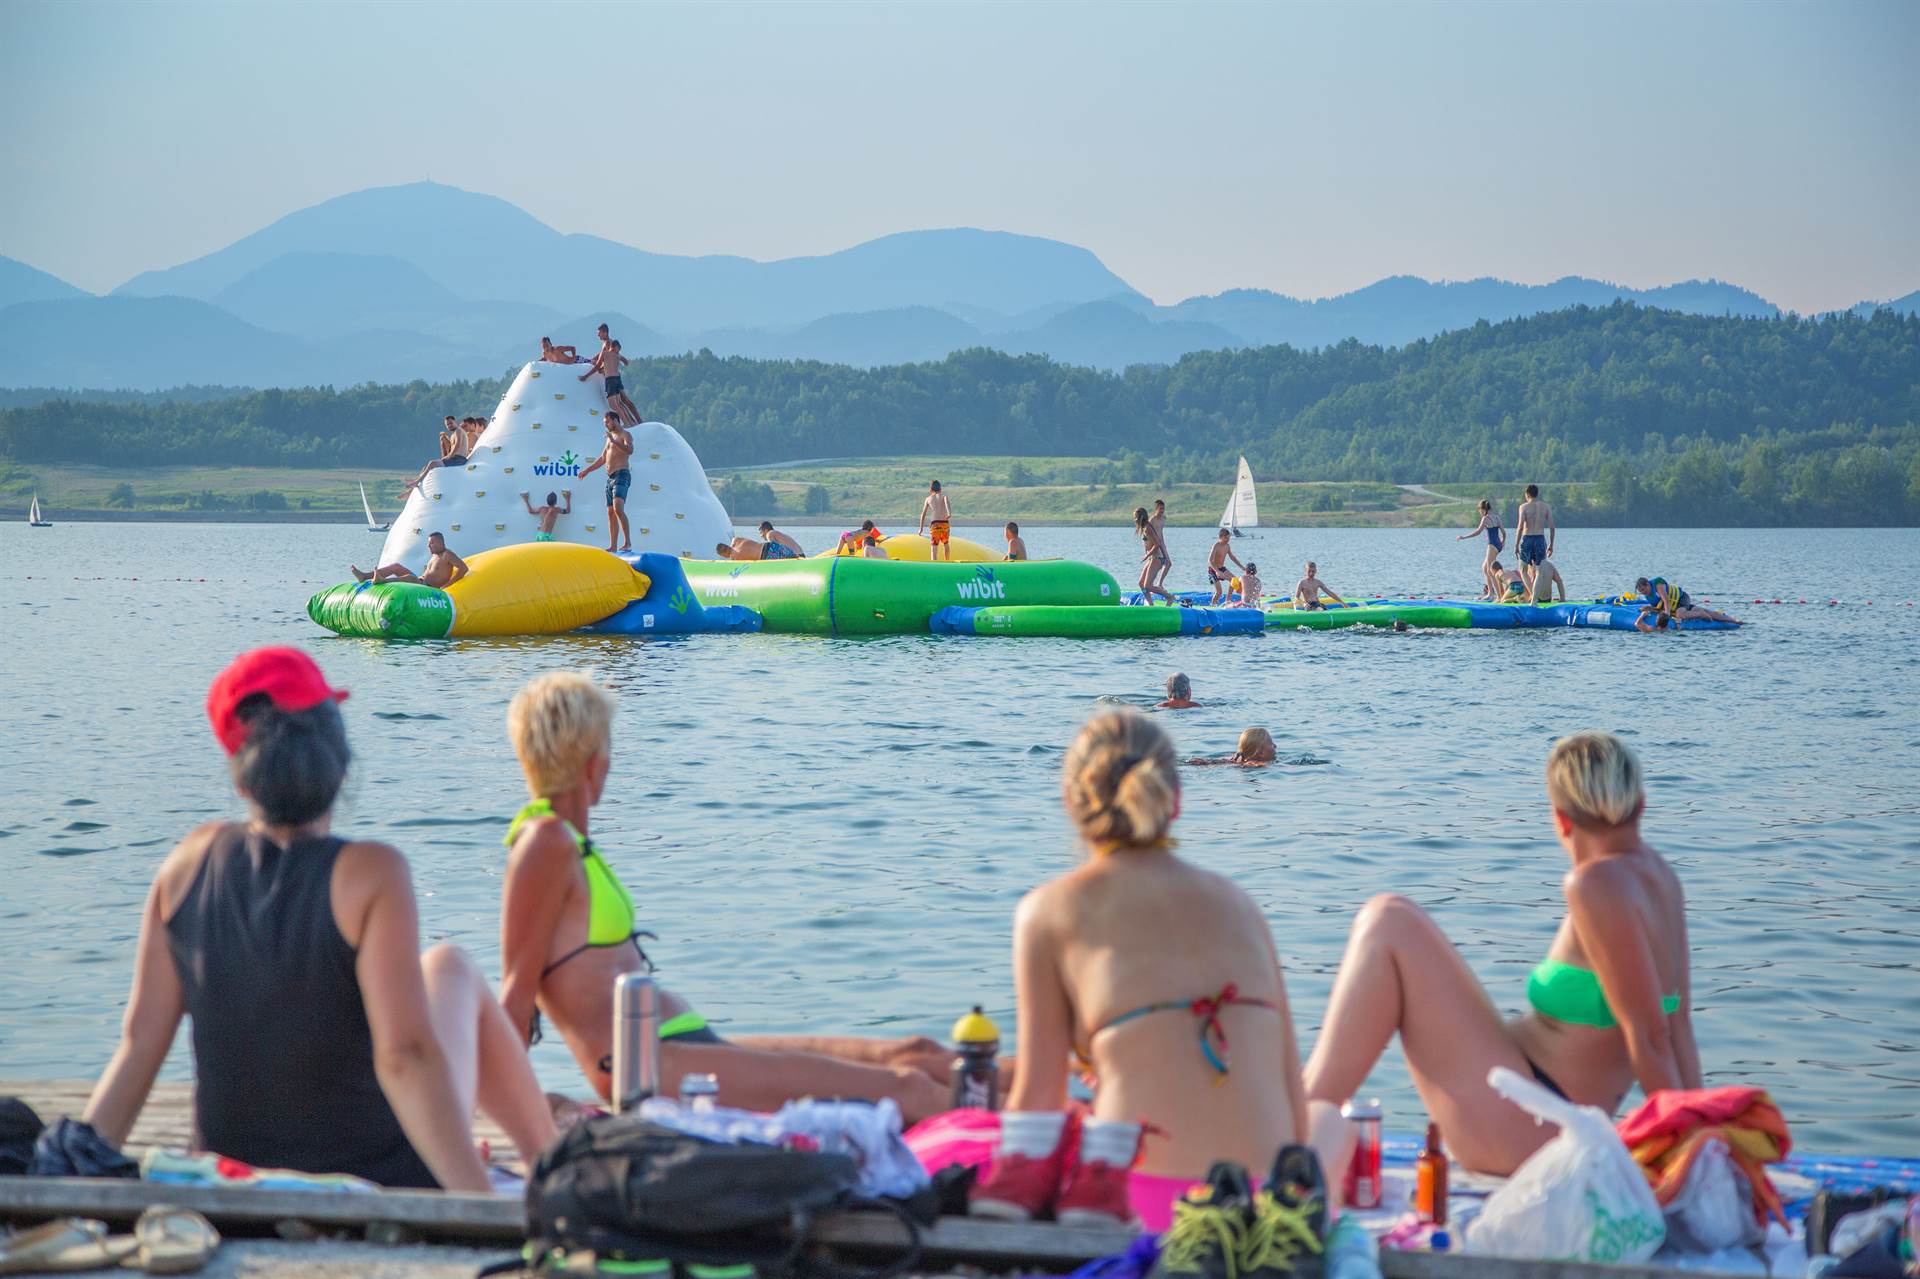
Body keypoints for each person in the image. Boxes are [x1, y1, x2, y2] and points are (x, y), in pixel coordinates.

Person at [79, 648, 555, 1190]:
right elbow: (405, 1058)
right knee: (451, 968)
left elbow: (140, 1045)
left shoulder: (185, 866)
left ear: (241, 778)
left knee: (444, 971)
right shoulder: (373, 874)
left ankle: (550, 1158)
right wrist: (477, 1203)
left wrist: (75, 1174)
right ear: (340, 759)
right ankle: (553, 1161)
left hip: (234, 1178)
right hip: (374, 1179)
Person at [497, 673, 951, 1119]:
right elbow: (517, 997)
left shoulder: (569, 843)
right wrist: (521, 1123)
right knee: (908, 1089)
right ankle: (1013, 1144)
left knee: (916, 1055)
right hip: (652, 1067)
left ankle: (1019, 1095)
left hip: (680, 1045)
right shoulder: (545, 843)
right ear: (591, 759)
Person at [969, 710, 1342, 1231]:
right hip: (1261, 1204)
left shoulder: (1047, 910)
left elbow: (1038, 1101)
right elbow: (1294, 1111)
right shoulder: (1241, 906)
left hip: (1136, 1201)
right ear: (1176, 801)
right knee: (1331, 1122)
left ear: (1070, 803)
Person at [1304, 731, 1699, 1175]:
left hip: (1533, 1127)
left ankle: (1291, 1130)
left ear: (1561, 819)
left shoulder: (1593, 884)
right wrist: (1706, 1136)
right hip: (1540, 1110)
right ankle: (1298, 1118)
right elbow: (1677, 1025)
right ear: (1641, 805)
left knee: (1386, 920)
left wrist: (1687, 1159)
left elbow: (1649, 1036)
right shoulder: (1663, 880)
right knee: (1391, 917)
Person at [575, 414, 635, 554]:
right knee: (610, 512)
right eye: (604, 422)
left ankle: (627, 543)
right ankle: (613, 545)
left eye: (607, 422)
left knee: (618, 508)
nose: (605, 425)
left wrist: (614, 442)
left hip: (622, 474)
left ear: (615, 420)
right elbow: (603, 458)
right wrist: (587, 470)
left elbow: (630, 450)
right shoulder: (610, 438)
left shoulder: (625, 435)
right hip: (610, 477)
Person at [353, 531, 469, 587]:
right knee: (396, 567)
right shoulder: (435, 555)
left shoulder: (448, 555)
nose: (428, 546)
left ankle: (382, 581)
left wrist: (447, 586)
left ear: (440, 543)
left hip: (429, 587)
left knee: (411, 578)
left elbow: (463, 569)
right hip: (421, 580)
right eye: (428, 543)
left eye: (431, 543)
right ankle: (365, 576)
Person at [581, 325, 641, 427]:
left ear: (605, 332)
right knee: (622, 402)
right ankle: (634, 422)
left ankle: (634, 422)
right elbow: (604, 355)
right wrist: (590, 360)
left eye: (599, 333)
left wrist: (599, 369)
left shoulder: (608, 343)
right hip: (616, 377)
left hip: (611, 378)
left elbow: (609, 357)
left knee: (622, 401)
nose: (598, 336)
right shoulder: (606, 343)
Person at [399, 417, 469, 496]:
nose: (449, 425)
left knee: (432, 463)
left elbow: (458, 445)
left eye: (451, 423)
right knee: (427, 466)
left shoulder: (459, 431)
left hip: (459, 460)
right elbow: (451, 447)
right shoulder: (454, 434)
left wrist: (449, 456)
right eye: (447, 424)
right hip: (454, 459)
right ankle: (414, 485)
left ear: (455, 422)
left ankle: (416, 482)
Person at [1633, 577, 1737, 629]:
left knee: (1680, 614)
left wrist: (1667, 615)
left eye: (1643, 589)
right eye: (1640, 591)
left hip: (1681, 598)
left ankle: (1700, 614)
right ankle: (1735, 621)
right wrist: (1649, 608)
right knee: (1706, 611)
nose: (1643, 592)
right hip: (1675, 605)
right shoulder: (1648, 596)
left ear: (1647, 584)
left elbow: (1666, 600)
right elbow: (1658, 607)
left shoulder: (1657, 583)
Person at [1457, 499, 1505, 600]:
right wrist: (1502, 542)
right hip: (1498, 545)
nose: (1480, 513)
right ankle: (1491, 594)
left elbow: (1477, 532)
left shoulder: (1485, 518)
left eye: (1479, 510)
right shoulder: (1497, 517)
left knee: (1490, 571)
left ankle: (1498, 597)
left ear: (1483, 510)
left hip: (1492, 546)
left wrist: (1463, 537)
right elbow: (1504, 533)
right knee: (1484, 568)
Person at [1514, 484, 1556, 597]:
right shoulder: (1546, 507)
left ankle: (1533, 595)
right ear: (1537, 494)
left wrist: (1516, 545)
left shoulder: (1523, 507)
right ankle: (1534, 600)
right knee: (1539, 572)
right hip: (1540, 539)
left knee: (1523, 570)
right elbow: (1552, 527)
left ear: (1527, 494)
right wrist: (1551, 545)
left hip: (1527, 538)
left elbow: (1520, 527)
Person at [1134, 508, 1175, 606]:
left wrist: (1147, 555)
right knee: (1141, 584)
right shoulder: (1144, 528)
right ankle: (1150, 604)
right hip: (1151, 559)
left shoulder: (1148, 528)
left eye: (1135, 517)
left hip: (1157, 558)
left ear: (1140, 517)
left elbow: (1157, 543)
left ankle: (1169, 597)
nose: (1134, 520)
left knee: (1148, 586)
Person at [1188, 728, 1278, 767]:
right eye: (1271, 743)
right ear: (1261, 753)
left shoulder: (1236, 759)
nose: (1275, 745)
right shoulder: (1254, 763)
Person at [1206, 529, 1246, 605]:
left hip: (1222, 568)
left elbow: (1232, 557)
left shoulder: (1227, 546)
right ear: (1221, 537)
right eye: (1226, 538)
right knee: (1219, 592)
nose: (1228, 540)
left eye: (1229, 538)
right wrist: (1217, 571)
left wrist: (1242, 567)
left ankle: (1227, 601)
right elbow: (1210, 561)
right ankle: (1213, 604)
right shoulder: (1216, 546)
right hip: (1213, 570)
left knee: (1235, 580)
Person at [919, 480, 953, 561]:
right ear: (940, 489)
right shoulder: (944, 496)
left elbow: (923, 514)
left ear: (931, 489)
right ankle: (947, 561)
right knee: (945, 543)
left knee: (934, 546)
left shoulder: (928, 499)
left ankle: (934, 563)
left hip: (935, 524)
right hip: (944, 523)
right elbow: (946, 502)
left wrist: (921, 529)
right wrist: (949, 512)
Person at [1148, 499, 1172, 594]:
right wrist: (1150, 549)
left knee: (1168, 563)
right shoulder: (1152, 520)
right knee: (1156, 564)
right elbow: (1148, 535)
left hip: (1161, 544)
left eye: (1163, 509)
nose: (1162, 511)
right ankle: (1151, 585)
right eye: (1160, 509)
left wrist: (1164, 545)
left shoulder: (1163, 518)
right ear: (1156, 509)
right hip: (1154, 545)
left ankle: (1160, 583)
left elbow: (1161, 532)